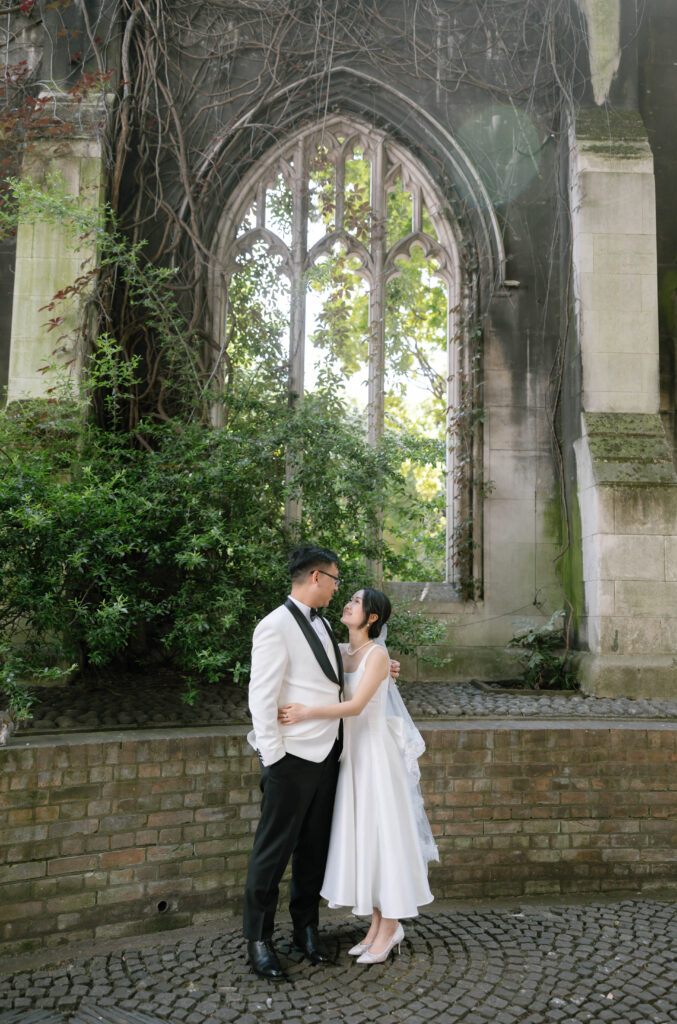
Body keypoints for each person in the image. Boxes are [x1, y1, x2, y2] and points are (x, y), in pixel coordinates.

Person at [243, 546, 400, 980]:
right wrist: (274, 758)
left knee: (312, 852)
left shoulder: (327, 625)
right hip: (289, 760)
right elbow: (261, 698)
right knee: (271, 855)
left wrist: (381, 667)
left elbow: (339, 672)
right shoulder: (273, 626)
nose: (337, 587)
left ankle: (305, 931)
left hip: (329, 756)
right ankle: (258, 941)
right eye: (334, 579)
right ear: (316, 577)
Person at [279, 587, 438, 966]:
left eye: (355, 602)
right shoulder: (339, 650)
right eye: (348, 598)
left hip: (377, 757)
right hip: (352, 758)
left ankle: (392, 923)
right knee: (368, 838)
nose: (347, 604)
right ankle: (378, 926)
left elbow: (353, 706)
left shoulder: (378, 655)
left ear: (371, 619)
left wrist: (305, 713)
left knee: (385, 837)